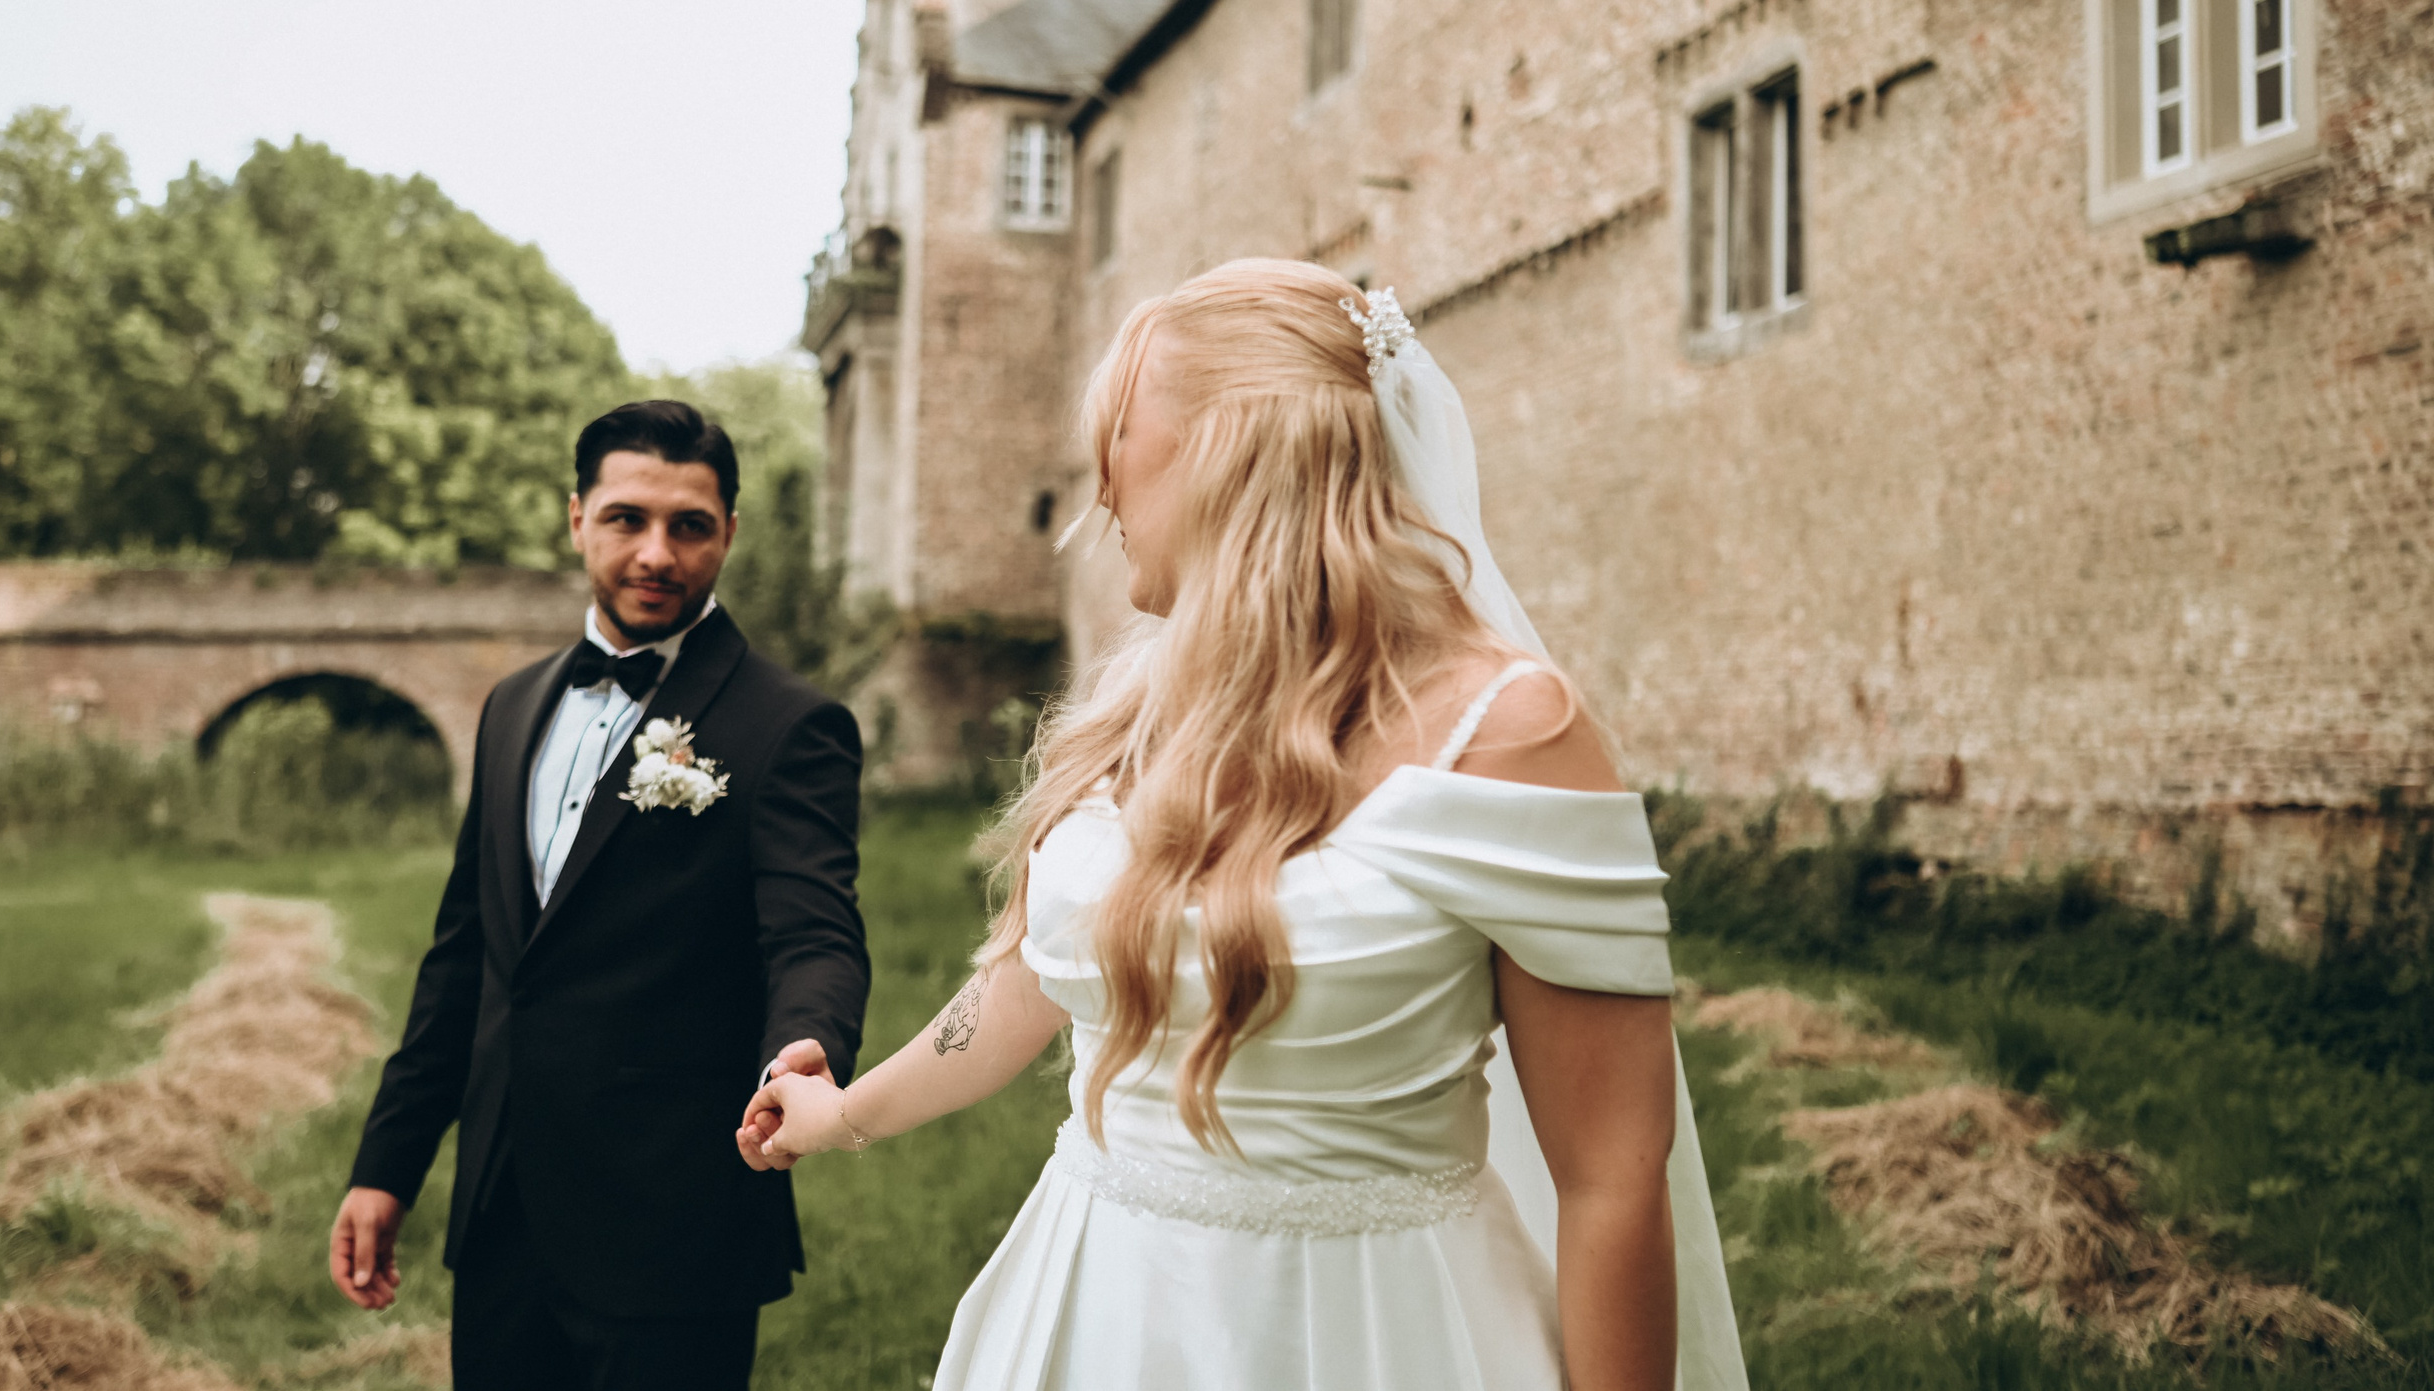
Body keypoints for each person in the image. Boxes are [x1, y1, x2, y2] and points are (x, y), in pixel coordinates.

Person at [739, 261, 1746, 1390]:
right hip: (1097, 1307)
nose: (1100, 489)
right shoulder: (1130, 710)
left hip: (1373, 1332)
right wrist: (842, 1113)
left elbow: (1612, 1177)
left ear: (1229, 450)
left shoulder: (1508, 731)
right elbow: (1027, 980)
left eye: (1120, 436)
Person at [330, 400, 871, 1391]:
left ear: (728, 533)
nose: (656, 553)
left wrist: (807, 1043)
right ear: (577, 517)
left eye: (689, 525)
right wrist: (387, 1164)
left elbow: (815, 931)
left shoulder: (791, 724)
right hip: (502, 1208)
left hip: (673, 1220)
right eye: (628, 518)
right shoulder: (512, 706)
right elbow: (467, 955)